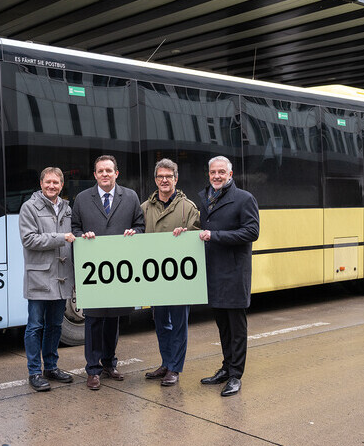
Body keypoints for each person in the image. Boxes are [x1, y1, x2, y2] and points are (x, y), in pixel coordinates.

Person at [71, 155, 145, 391]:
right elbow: (74, 228)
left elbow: (141, 226)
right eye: (100, 171)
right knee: (93, 320)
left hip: (118, 270)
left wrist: (135, 232)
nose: (105, 174)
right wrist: (83, 237)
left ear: (116, 173)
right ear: (95, 175)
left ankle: (109, 364)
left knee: (113, 319)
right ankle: (92, 370)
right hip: (93, 270)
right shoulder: (82, 199)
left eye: (108, 170)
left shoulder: (130, 196)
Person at [197, 156, 259, 397]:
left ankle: (235, 375)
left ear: (230, 175)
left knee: (236, 328)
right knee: (222, 325)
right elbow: (200, 228)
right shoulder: (204, 198)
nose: (216, 176)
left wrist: (216, 236)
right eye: (213, 172)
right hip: (212, 272)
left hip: (234, 273)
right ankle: (226, 367)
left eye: (221, 172)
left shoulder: (244, 198)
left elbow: (252, 232)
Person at [140, 158, 200, 387]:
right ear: (155, 180)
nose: (164, 180)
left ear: (176, 179)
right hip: (155, 277)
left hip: (179, 279)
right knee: (160, 322)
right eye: (160, 177)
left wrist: (186, 233)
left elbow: (198, 238)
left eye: (169, 176)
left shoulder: (189, 208)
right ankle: (166, 362)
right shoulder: (145, 208)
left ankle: (175, 368)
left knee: (178, 324)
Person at [19, 167, 77, 392]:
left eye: (56, 183)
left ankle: (50, 367)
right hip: (40, 277)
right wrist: (61, 238)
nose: (52, 186)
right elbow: (29, 239)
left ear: (62, 185)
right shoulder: (29, 208)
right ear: (41, 183)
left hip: (62, 277)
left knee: (55, 325)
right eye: (48, 182)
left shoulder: (67, 208)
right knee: (35, 326)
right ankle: (34, 372)